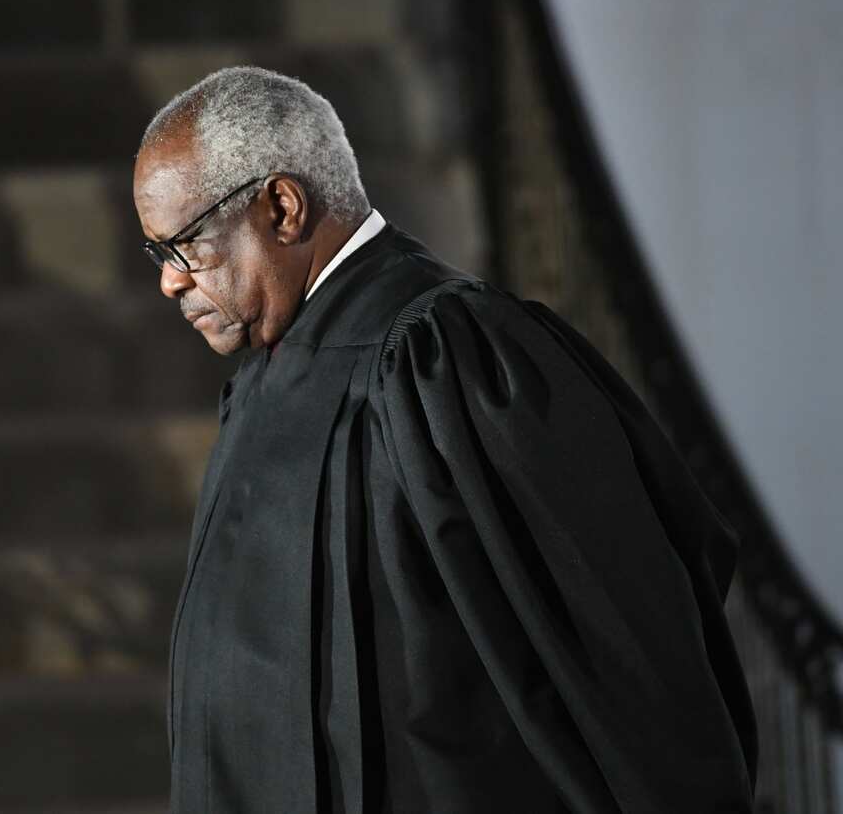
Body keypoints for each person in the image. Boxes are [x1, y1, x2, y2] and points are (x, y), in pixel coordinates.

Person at [132, 66, 757, 814]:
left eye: (184, 246)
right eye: (158, 254)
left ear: (282, 207)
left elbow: (626, 655)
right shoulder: (269, 379)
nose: (170, 283)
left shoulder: (448, 359)